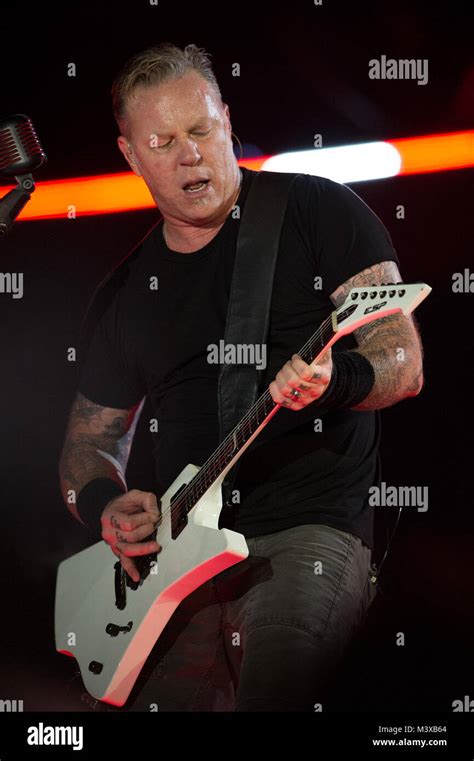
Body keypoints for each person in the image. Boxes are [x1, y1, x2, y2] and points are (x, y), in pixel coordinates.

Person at [58, 42, 424, 712]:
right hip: (176, 565)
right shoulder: (124, 294)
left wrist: (331, 381)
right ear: (130, 154)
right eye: (162, 140)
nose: (188, 153)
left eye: (200, 130)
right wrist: (105, 503)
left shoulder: (317, 211)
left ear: (227, 119)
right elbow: (87, 444)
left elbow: (402, 359)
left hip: (307, 533)